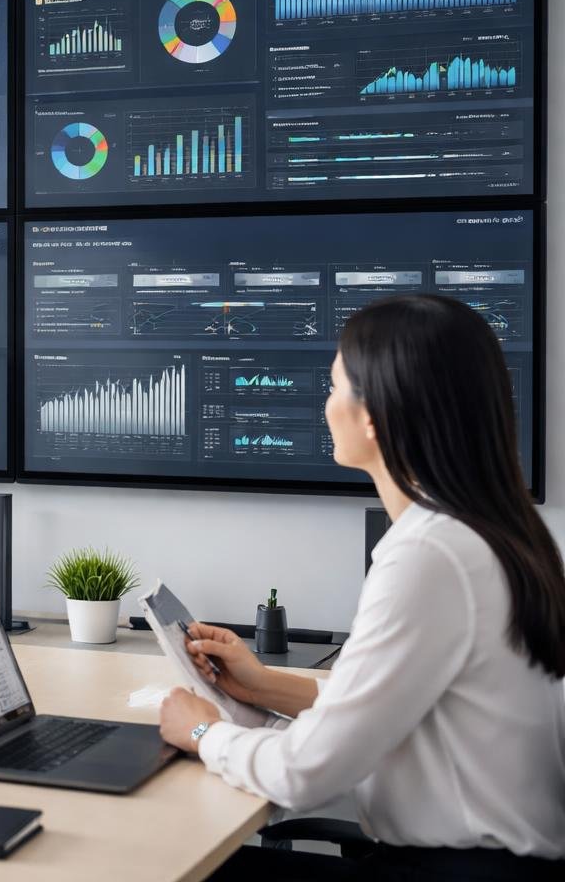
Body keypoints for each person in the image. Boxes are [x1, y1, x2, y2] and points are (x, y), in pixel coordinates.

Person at [158, 294, 565, 881]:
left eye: (334, 387)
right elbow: (396, 703)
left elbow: (309, 773)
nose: (325, 406)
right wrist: (266, 685)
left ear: (373, 415)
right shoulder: (492, 532)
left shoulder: (430, 556)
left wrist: (203, 732)